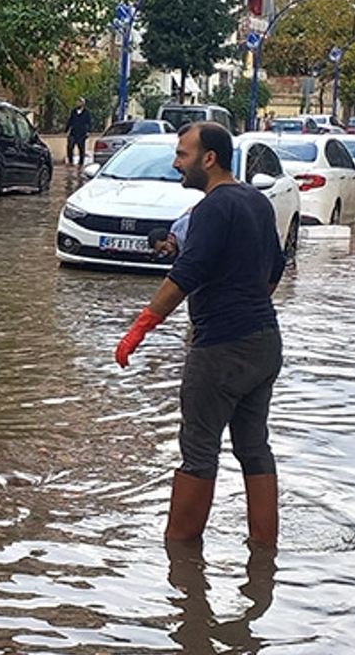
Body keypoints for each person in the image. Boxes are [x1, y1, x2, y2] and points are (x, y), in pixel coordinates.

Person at [114, 122, 286, 547]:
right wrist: (246, 307)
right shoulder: (256, 201)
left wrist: (139, 328)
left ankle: (178, 557)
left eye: (183, 155)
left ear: (209, 159)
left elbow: (186, 276)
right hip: (265, 341)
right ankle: (264, 552)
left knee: (199, 450)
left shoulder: (212, 208)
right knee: (254, 447)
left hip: (220, 348)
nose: (176, 163)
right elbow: (275, 270)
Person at [65, 97, 91, 167]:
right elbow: (70, 121)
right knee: (70, 147)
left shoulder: (87, 112)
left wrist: (88, 131)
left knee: (81, 148)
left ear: (83, 103)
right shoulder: (73, 111)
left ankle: (81, 162)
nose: (77, 103)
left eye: (79, 102)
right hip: (73, 132)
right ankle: (70, 161)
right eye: (77, 102)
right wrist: (67, 130)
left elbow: (89, 122)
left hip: (82, 132)